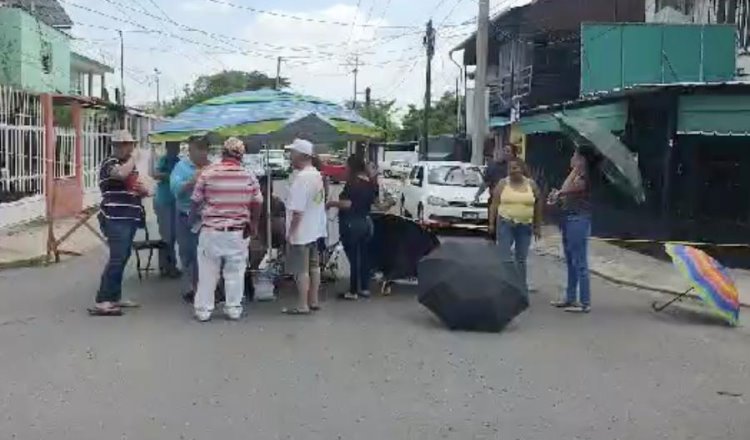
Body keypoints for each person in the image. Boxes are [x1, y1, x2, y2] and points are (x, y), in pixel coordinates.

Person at [190, 137, 263, 322]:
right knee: (235, 271)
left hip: (211, 231)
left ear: (223, 153)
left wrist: (193, 220)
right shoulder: (249, 175)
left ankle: (204, 310)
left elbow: (195, 200)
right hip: (237, 231)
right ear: (241, 156)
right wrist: (253, 224)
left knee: (208, 272)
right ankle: (233, 308)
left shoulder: (208, 173)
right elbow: (257, 202)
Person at [89, 130, 148, 316]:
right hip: (115, 218)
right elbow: (121, 175)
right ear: (115, 146)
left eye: (129, 144)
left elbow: (136, 187)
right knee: (117, 258)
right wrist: (135, 158)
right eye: (121, 144)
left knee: (122, 258)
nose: (127, 148)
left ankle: (114, 297)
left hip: (129, 217)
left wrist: (143, 190)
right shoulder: (110, 163)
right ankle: (103, 300)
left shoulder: (129, 166)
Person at [283, 138, 327, 315]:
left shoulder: (301, 179)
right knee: (314, 266)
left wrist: (290, 233)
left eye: (292, 153)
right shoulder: (317, 175)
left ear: (301, 155)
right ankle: (313, 300)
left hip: (301, 232)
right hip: (315, 229)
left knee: (301, 270)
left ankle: (302, 304)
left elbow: (297, 211)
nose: (290, 156)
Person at [327, 155, 378, 300]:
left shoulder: (352, 183)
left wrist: (332, 204)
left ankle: (353, 290)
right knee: (364, 256)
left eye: (346, 165)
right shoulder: (369, 183)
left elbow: (347, 204)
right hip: (366, 223)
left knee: (354, 258)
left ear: (351, 167)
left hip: (351, 224)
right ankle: (365, 288)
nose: (345, 167)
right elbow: (375, 203)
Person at [489, 157, 542, 293]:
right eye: (510, 169)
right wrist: (492, 224)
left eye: (515, 168)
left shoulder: (531, 184)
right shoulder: (502, 184)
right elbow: (494, 204)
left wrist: (537, 225)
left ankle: (520, 288)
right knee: (505, 257)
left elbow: (538, 204)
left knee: (521, 259)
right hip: (506, 224)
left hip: (525, 226)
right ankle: (506, 286)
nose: (513, 171)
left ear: (522, 169)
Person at [548, 149, 592, 313]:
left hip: (578, 219)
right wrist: (559, 195)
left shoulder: (584, 176)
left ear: (582, 159)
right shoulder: (574, 174)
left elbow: (577, 189)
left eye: (575, 156)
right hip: (568, 218)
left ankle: (585, 301)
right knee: (570, 260)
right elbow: (566, 192)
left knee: (579, 260)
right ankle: (570, 297)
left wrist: (561, 193)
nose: (572, 158)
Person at [170, 137, 210, 303]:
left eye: (203, 148)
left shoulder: (213, 167)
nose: (200, 152)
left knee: (206, 254)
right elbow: (175, 189)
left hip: (207, 217)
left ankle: (205, 288)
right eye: (196, 149)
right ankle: (191, 287)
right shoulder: (182, 167)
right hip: (185, 215)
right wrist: (191, 182)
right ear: (190, 150)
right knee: (187, 252)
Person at [152, 142, 181, 278]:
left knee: (174, 234)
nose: (176, 148)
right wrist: (170, 177)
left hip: (175, 201)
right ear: (168, 147)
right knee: (167, 235)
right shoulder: (164, 159)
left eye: (178, 146)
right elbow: (155, 174)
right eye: (174, 146)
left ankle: (171, 266)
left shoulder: (179, 161)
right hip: (163, 200)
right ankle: (166, 266)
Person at [475, 143, 516, 213]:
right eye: (504, 150)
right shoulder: (493, 166)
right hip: (495, 201)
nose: (505, 153)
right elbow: (486, 183)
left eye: (508, 151)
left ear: (513, 154)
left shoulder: (518, 168)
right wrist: (478, 195)